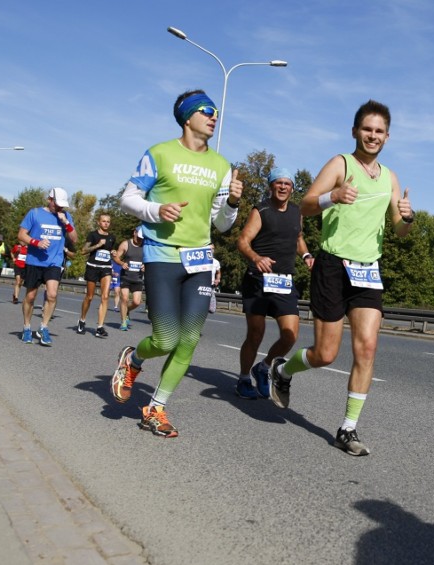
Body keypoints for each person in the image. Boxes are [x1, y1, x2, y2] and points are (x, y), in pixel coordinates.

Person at [268, 100, 415, 456]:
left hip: (368, 270)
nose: (373, 136)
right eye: (367, 129)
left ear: (388, 136)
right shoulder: (340, 163)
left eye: (379, 131)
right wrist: (332, 197)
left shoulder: (391, 178)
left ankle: (347, 429)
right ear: (355, 131)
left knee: (367, 347)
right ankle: (283, 370)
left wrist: (407, 217)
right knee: (325, 353)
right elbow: (305, 204)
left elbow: (399, 231)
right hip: (333, 266)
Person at [110, 89, 242, 438]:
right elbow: (128, 197)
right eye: (206, 110)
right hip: (162, 254)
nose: (214, 116)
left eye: (215, 112)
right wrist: (156, 211)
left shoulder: (222, 166)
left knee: (189, 340)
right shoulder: (160, 153)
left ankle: (156, 408)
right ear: (187, 117)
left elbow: (223, 224)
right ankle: (133, 361)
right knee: (166, 339)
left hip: (199, 257)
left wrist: (232, 203)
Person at [235, 167, 312, 400]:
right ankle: (244, 378)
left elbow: (298, 238)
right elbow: (243, 241)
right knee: (256, 334)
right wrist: (256, 258)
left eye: (287, 184)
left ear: (292, 188)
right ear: (271, 186)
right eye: (278, 183)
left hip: (284, 281)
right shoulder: (261, 210)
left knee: (290, 335)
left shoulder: (297, 212)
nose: (282, 187)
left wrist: (307, 255)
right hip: (258, 280)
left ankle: (264, 365)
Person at [18, 187, 78, 346]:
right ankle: (26, 327)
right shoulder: (35, 213)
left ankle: (44, 327)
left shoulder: (66, 216)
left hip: (54, 262)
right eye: (57, 204)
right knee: (30, 297)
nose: (60, 208)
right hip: (34, 261)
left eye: (62, 205)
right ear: (49, 199)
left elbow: (75, 239)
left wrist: (66, 223)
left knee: (52, 295)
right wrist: (36, 242)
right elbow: (21, 234)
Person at [76, 213, 116, 337]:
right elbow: (83, 251)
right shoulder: (93, 235)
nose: (106, 223)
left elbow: (110, 252)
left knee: (105, 297)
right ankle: (82, 320)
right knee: (90, 297)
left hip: (106, 268)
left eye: (108, 221)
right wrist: (98, 245)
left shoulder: (112, 237)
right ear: (98, 222)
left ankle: (100, 327)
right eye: (103, 221)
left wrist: (113, 252)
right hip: (93, 267)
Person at [114, 227, 144, 331]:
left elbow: (150, 260)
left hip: (138, 278)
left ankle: (127, 311)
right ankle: (123, 323)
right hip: (126, 277)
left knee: (136, 302)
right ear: (134, 233)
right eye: (138, 237)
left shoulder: (146, 246)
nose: (140, 239)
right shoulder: (126, 244)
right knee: (125, 298)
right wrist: (122, 263)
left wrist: (145, 266)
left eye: (142, 238)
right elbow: (116, 257)